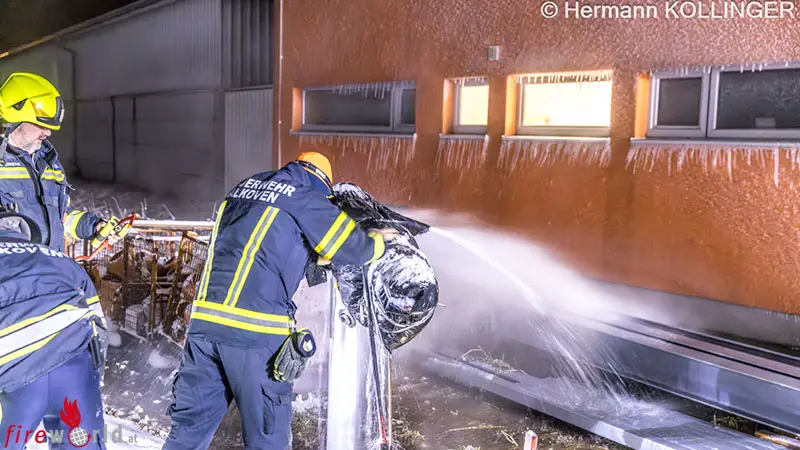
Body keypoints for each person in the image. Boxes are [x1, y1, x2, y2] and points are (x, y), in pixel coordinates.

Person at [162, 152, 398, 450]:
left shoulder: (243, 189)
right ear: (322, 185)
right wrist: (376, 242)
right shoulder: (306, 197)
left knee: (188, 433)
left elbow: (262, 247)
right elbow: (350, 247)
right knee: (267, 438)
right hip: (255, 336)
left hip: (204, 330)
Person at [0, 207, 108, 449]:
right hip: (76, 369)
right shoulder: (57, 257)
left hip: (14, 374)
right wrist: (93, 374)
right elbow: (97, 324)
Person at [0, 72, 119, 253]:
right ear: (13, 120)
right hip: (13, 277)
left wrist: (93, 227)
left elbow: (61, 216)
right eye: (40, 125)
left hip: (50, 271)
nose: (47, 133)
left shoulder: (48, 162)